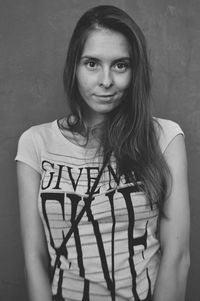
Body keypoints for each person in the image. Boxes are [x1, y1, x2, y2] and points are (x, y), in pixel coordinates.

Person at [15, 5, 190, 301]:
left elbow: (177, 257)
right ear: (74, 66)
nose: (106, 80)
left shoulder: (165, 138)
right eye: (92, 64)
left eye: (120, 65)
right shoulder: (35, 143)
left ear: (135, 71)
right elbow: (35, 258)